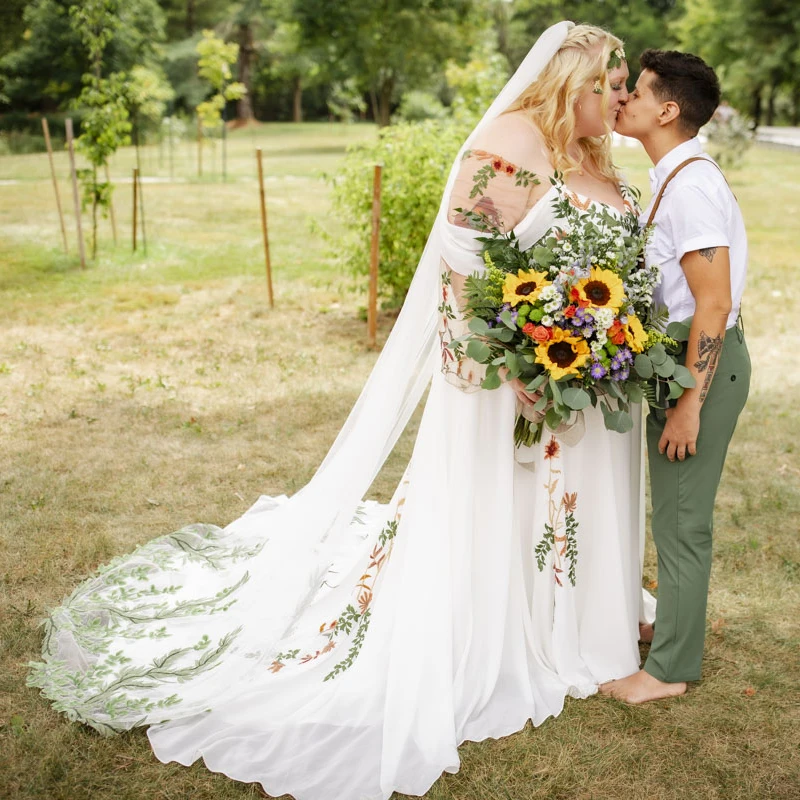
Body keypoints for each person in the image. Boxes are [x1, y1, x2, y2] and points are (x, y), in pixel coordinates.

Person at [28, 22, 650, 799]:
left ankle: (571, 613)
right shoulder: (508, 141)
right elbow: (461, 269)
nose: (621, 100)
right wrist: (513, 365)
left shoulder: (589, 153)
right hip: (503, 378)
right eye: (610, 88)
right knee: (495, 507)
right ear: (574, 86)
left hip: (583, 365)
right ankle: (506, 628)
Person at [602, 50, 751, 704]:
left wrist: (690, 401)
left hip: (700, 368)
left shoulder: (691, 185)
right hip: (677, 363)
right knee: (672, 512)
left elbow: (712, 302)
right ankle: (669, 637)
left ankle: (668, 672)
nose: (622, 100)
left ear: (667, 109)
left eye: (634, 91)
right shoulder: (672, 175)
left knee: (683, 520)